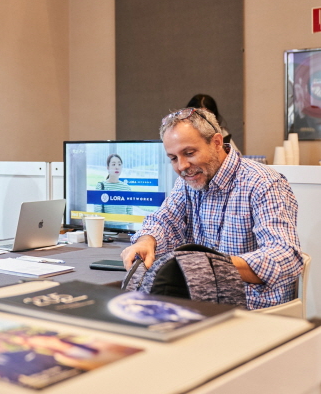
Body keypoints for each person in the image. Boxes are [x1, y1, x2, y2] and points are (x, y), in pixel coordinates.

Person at [121, 107, 303, 309]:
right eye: (173, 158)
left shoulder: (264, 183)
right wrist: (147, 241)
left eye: (189, 153)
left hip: (253, 312)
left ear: (216, 142)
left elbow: (285, 257)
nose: (181, 166)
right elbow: (164, 221)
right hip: (200, 306)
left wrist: (212, 265)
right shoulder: (188, 182)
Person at [93, 154, 132, 230]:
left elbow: (129, 211)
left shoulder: (126, 187)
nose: (117, 167)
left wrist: (132, 232)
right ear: (108, 167)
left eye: (119, 164)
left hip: (123, 228)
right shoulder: (101, 186)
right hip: (106, 227)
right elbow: (97, 210)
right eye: (113, 164)